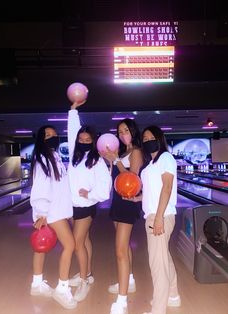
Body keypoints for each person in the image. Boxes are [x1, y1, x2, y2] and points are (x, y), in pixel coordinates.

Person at [67, 101, 112, 302]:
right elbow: (72, 131)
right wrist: (73, 110)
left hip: (86, 207)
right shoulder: (73, 156)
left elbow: (105, 188)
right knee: (84, 241)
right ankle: (89, 273)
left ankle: (84, 280)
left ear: (93, 142)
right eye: (81, 138)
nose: (83, 141)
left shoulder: (97, 160)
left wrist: (90, 194)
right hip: (72, 206)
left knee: (77, 243)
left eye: (87, 139)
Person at [30, 125, 77, 310]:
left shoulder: (54, 156)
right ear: (41, 139)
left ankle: (36, 284)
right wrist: (41, 212)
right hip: (51, 211)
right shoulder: (43, 158)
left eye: (54, 135)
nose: (52, 137)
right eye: (47, 135)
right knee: (70, 245)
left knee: (41, 248)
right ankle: (62, 288)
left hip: (55, 209)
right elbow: (41, 185)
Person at [103, 118, 143, 314]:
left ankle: (122, 300)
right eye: (119, 131)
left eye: (126, 130)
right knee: (124, 247)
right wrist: (113, 160)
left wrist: (116, 161)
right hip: (117, 201)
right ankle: (130, 281)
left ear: (133, 131)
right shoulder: (123, 152)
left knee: (119, 251)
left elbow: (132, 178)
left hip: (128, 202)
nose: (122, 134)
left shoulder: (135, 152)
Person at [139, 125, 181, 314]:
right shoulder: (151, 164)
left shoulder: (165, 157)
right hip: (155, 214)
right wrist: (137, 198)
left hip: (160, 216)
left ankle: (158, 310)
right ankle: (173, 296)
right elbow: (153, 192)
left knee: (157, 264)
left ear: (159, 138)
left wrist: (158, 218)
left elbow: (167, 188)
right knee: (164, 259)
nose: (148, 141)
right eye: (145, 139)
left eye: (151, 138)